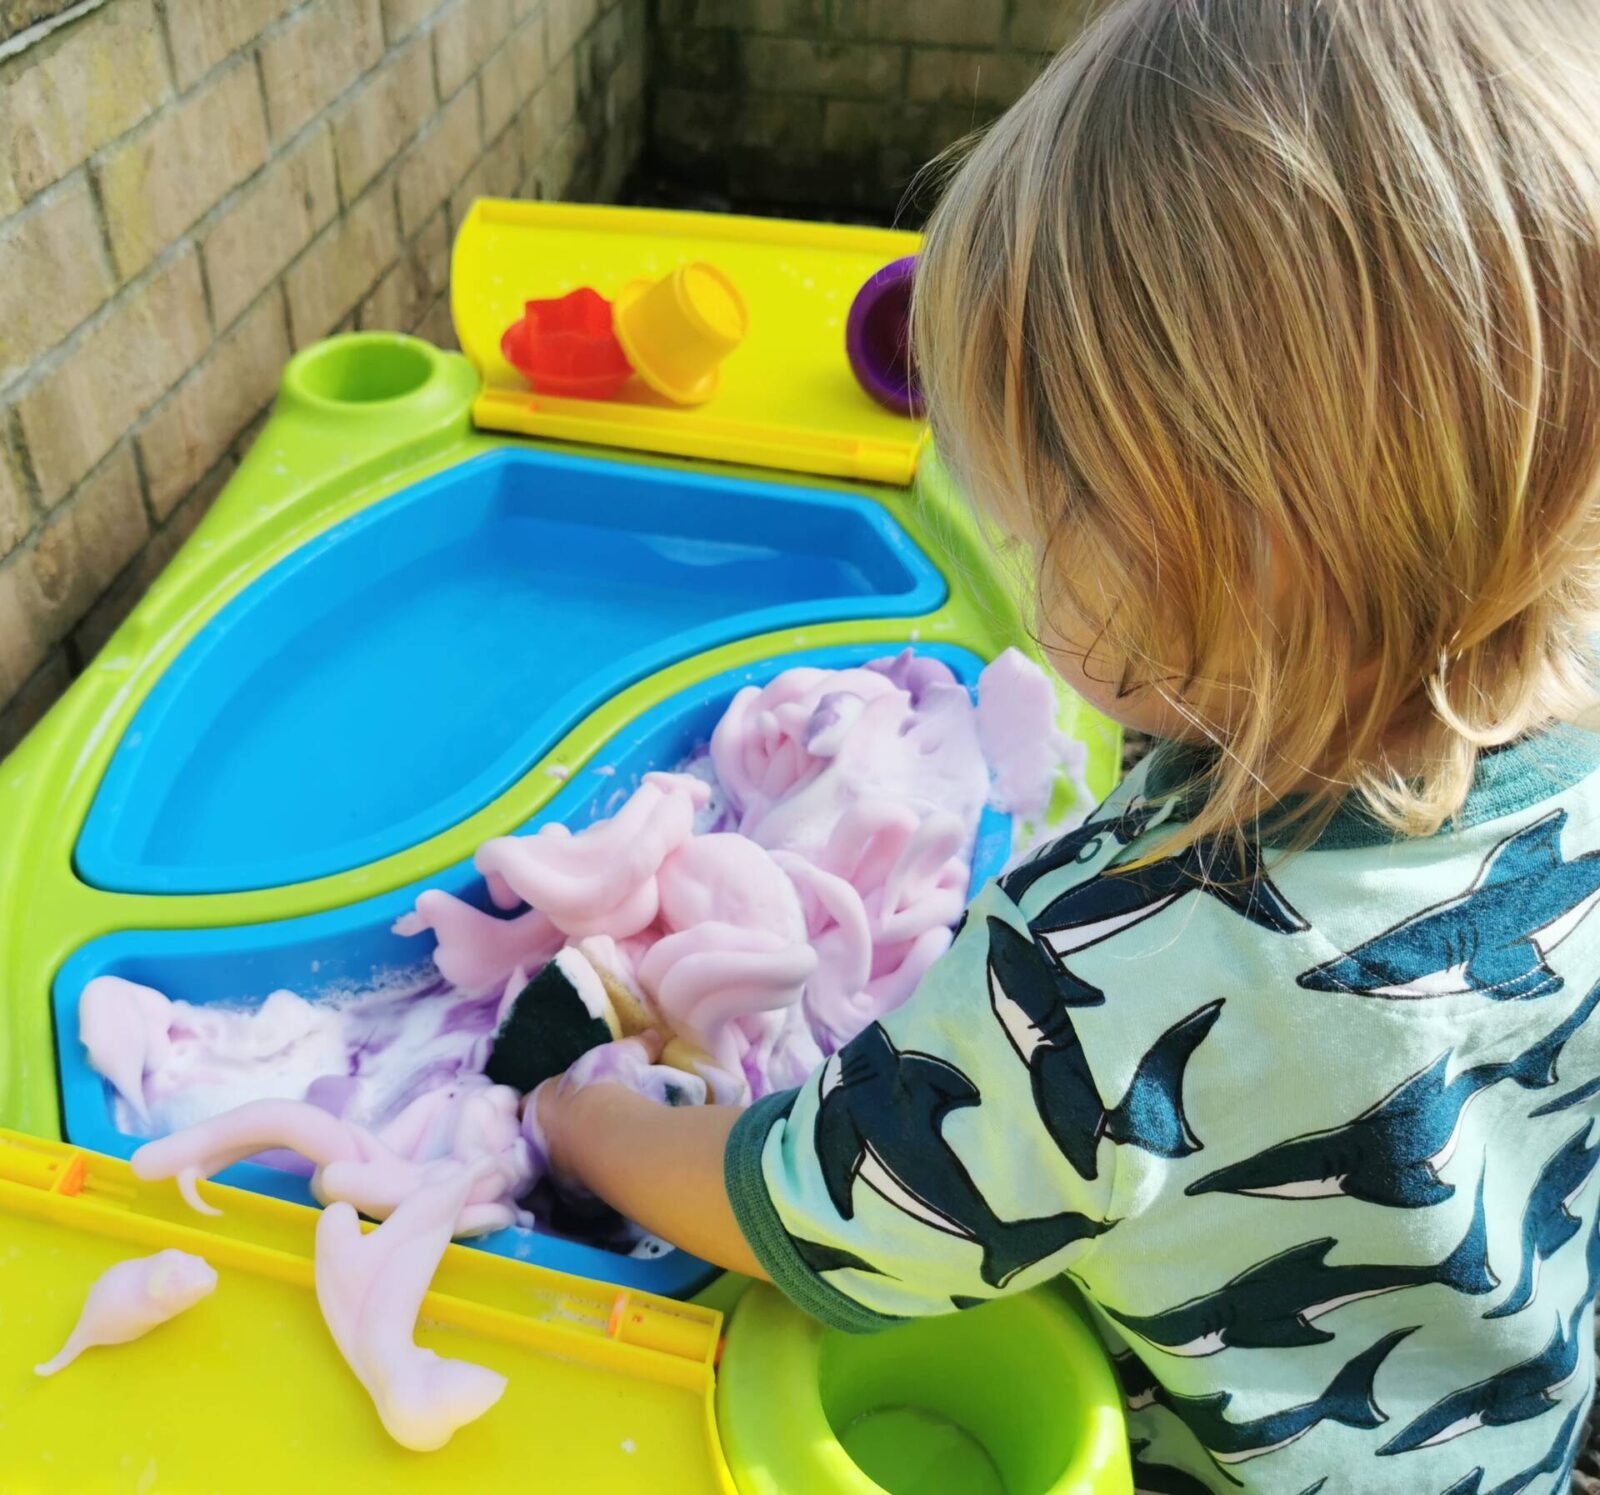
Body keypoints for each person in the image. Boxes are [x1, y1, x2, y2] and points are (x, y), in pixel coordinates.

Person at [537, 1, 1600, 1488]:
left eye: (1052, 511)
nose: (1025, 569)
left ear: (1244, 538)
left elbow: (826, 1220)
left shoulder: (1122, 957)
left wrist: (587, 1121)